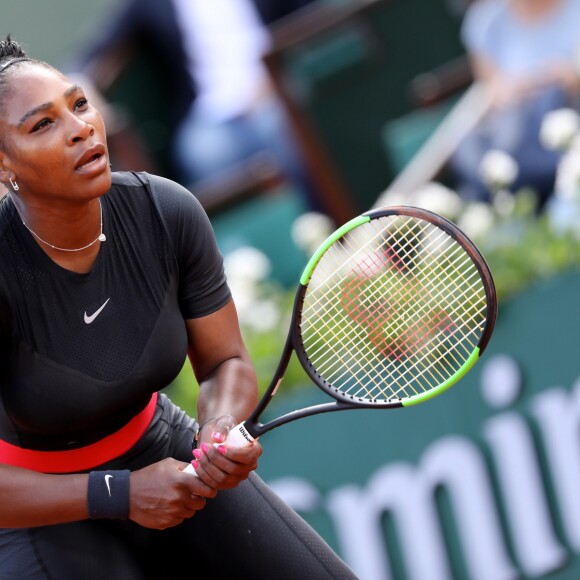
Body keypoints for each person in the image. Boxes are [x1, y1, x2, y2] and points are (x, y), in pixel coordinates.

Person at [0, 36, 357, 579]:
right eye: (42, 125)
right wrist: (117, 493)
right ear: (5, 166)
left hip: (161, 450)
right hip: (37, 508)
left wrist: (217, 428)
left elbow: (225, 363)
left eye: (78, 104)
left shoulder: (165, 210)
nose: (80, 128)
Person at [79, 0, 322, 210]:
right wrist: (80, 89)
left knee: (284, 130)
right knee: (202, 154)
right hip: (211, 114)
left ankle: (330, 231)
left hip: (277, 90)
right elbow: (95, 51)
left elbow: (309, 16)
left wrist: (278, 72)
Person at [448, 0, 580, 208]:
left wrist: (572, 79)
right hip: (517, 163)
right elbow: (489, 90)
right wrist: (505, 93)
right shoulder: (484, 21)